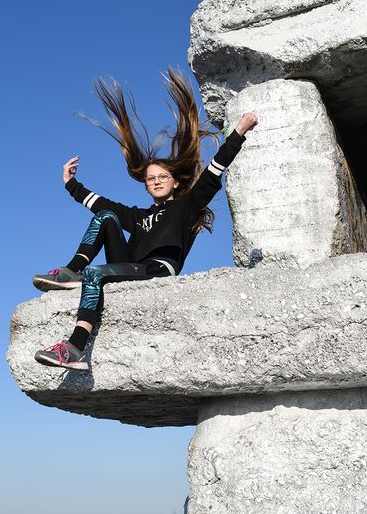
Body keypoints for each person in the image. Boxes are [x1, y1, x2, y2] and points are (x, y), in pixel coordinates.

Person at [32, 68, 258, 371]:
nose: (156, 181)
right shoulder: (139, 217)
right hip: (131, 265)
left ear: (175, 181)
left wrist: (239, 133)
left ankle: (75, 348)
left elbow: (214, 169)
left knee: (96, 274)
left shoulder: (186, 206)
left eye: (163, 177)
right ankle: (72, 271)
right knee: (107, 216)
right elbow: (101, 203)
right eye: (151, 179)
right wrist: (71, 184)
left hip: (157, 268)